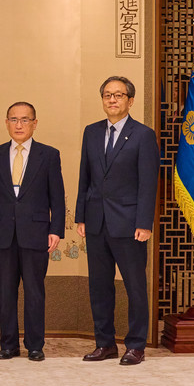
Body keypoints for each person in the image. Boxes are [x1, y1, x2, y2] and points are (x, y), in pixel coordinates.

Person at [75, 76, 159, 366]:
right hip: (96, 221)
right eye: (107, 95)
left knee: (135, 287)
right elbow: (85, 176)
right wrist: (81, 215)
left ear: (130, 101)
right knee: (99, 286)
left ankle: (136, 345)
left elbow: (148, 183)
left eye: (118, 95)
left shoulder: (143, 135)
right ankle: (105, 343)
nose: (112, 100)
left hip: (130, 224)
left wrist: (144, 223)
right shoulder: (91, 132)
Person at [0, 102, 65, 362]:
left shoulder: (49, 155)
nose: (19, 125)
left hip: (36, 233)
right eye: (14, 120)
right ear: (6, 123)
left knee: (34, 292)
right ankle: (8, 345)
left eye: (25, 120)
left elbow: (57, 197)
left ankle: (35, 345)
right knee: (5, 292)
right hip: (2, 233)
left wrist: (56, 230)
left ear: (34, 123)